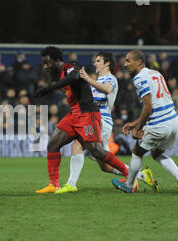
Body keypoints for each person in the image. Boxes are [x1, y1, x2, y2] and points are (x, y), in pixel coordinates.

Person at [55, 51, 155, 194]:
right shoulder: (95, 81)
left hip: (101, 121)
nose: (95, 63)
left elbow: (107, 90)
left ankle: (71, 184)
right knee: (105, 166)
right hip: (91, 120)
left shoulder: (110, 78)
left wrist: (88, 79)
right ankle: (142, 176)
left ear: (107, 63)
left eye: (98, 61)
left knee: (77, 145)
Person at [33, 46, 130, 193]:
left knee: (96, 152)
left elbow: (74, 76)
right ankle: (54, 184)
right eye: (44, 64)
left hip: (88, 114)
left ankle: (129, 173)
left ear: (57, 60)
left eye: (48, 63)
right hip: (75, 114)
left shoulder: (70, 67)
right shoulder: (59, 74)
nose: (46, 67)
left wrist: (48, 89)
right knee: (53, 144)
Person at [112, 50, 178, 194]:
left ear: (139, 62)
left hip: (160, 124)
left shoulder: (139, 79)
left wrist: (138, 129)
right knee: (156, 153)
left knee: (137, 152)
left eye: (129, 60)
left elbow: (148, 106)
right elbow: (158, 103)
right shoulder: (156, 73)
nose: (125, 64)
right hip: (173, 121)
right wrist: (136, 123)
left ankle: (129, 185)